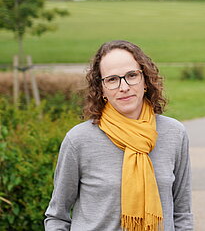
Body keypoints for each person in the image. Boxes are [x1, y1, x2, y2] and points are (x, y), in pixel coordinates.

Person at [45, 40, 193, 231]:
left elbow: (182, 213)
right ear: (102, 89)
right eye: (112, 79)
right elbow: (57, 216)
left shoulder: (174, 134)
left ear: (145, 81)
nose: (123, 87)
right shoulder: (79, 140)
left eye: (132, 75)